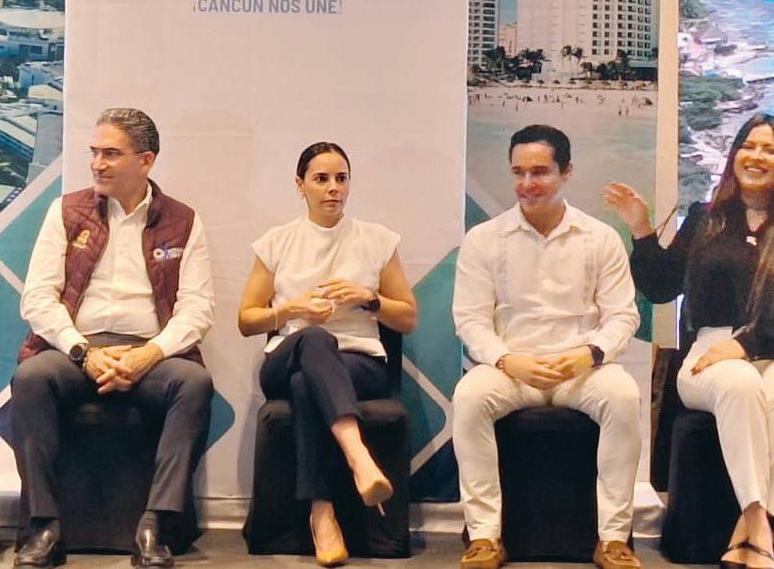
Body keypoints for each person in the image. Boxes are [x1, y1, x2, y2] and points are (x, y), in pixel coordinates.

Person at [12, 108, 214, 569]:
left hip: (149, 351)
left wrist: (149, 354)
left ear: (145, 160)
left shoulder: (183, 220)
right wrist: (83, 351)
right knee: (31, 379)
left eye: (110, 154)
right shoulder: (67, 210)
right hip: (76, 347)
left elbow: (197, 309)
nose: (97, 164)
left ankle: (155, 527)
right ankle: (44, 527)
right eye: (94, 153)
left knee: (194, 383)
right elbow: (37, 298)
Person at [452, 124, 642, 569]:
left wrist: (589, 354)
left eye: (539, 172)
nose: (527, 183)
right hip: (512, 369)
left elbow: (623, 315)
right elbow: (470, 320)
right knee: (469, 396)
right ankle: (484, 537)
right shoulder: (484, 239)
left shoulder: (600, 237)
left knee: (624, 396)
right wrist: (506, 360)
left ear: (566, 172)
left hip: (582, 369)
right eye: (518, 172)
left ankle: (614, 539)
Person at [605, 112, 774, 569]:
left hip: (767, 347)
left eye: (769, 149)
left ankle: (747, 536)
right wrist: (641, 229)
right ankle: (758, 521)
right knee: (740, 383)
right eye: (749, 146)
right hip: (708, 352)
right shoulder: (705, 218)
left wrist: (749, 345)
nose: (756, 156)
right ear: (734, 154)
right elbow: (662, 287)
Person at [237, 142, 417, 567]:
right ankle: (359, 459)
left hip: (360, 363)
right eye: (321, 179)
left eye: (341, 178)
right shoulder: (277, 241)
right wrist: (293, 309)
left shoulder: (377, 240)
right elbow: (247, 320)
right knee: (314, 339)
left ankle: (322, 514)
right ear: (300, 186)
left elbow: (407, 317)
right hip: (286, 356)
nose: (333, 188)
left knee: (307, 383)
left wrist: (369, 298)